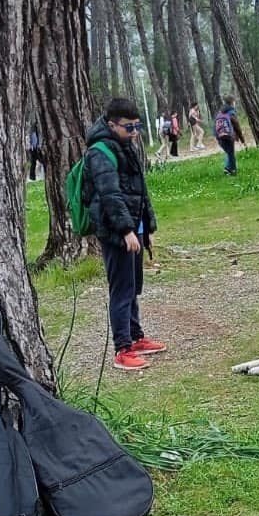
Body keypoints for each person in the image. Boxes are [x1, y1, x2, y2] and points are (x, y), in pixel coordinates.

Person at [84, 98, 165, 370]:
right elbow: (110, 195)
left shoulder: (125, 146)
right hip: (116, 231)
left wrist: (145, 228)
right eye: (128, 127)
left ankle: (135, 336)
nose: (134, 132)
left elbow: (139, 191)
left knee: (132, 287)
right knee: (121, 289)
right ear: (111, 124)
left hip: (135, 229)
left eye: (137, 126)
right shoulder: (99, 152)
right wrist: (126, 230)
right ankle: (122, 348)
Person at [214, 94, 246, 175]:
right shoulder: (231, 112)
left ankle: (227, 168)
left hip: (220, 136)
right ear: (232, 102)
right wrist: (242, 139)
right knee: (231, 153)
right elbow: (236, 126)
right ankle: (232, 170)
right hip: (228, 136)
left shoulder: (220, 112)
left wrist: (217, 136)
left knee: (229, 152)